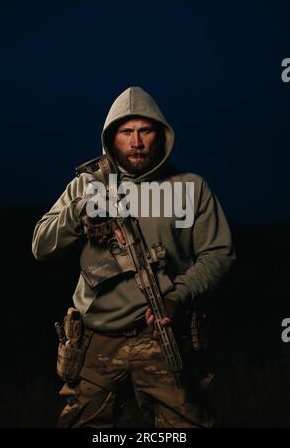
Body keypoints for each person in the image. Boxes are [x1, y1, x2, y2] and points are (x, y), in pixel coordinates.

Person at [32, 86, 236, 428]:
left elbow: (218, 255)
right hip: (96, 340)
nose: (136, 142)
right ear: (112, 137)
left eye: (145, 130)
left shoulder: (191, 187)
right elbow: (40, 246)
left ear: (162, 134)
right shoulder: (86, 185)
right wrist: (78, 212)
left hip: (163, 337)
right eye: (127, 132)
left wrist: (176, 297)